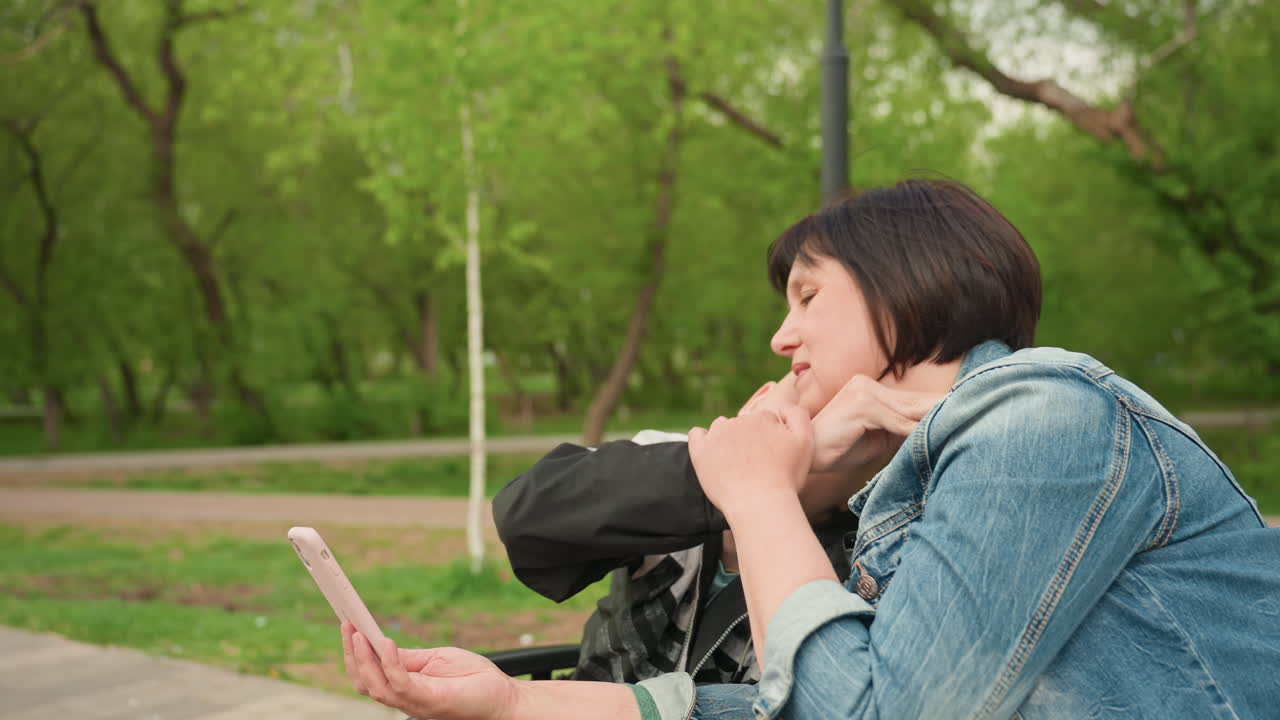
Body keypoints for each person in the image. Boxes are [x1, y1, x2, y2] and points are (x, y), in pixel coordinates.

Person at [340, 178, 1280, 720]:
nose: (780, 341)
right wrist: (510, 706)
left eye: (807, 296)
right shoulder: (926, 482)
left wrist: (761, 496)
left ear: (907, 282)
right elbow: (813, 701)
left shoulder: (1041, 416)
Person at [491, 371, 889, 685]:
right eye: (799, 412)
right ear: (755, 401)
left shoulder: (856, 567)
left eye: (844, 430)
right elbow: (526, 518)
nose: (801, 435)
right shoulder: (672, 461)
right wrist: (731, 473)